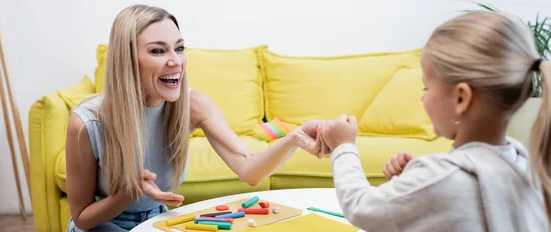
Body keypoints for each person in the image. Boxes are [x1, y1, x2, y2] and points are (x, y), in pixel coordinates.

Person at [64, 5, 317, 231]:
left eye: (180, 48)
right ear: (128, 60)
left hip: (157, 220)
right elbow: (83, 218)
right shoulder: (87, 123)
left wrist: (294, 139)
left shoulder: (192, 105)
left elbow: (250, 169)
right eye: (158, 51)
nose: (176, 61)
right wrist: (130, 192)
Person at [297, 11, 551, 231]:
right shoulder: (523, 165)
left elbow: (361, 208)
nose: (423, 99)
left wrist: (343, 147)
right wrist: (413, 180)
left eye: (426, 87)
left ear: (461, 97)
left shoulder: (441, 176)